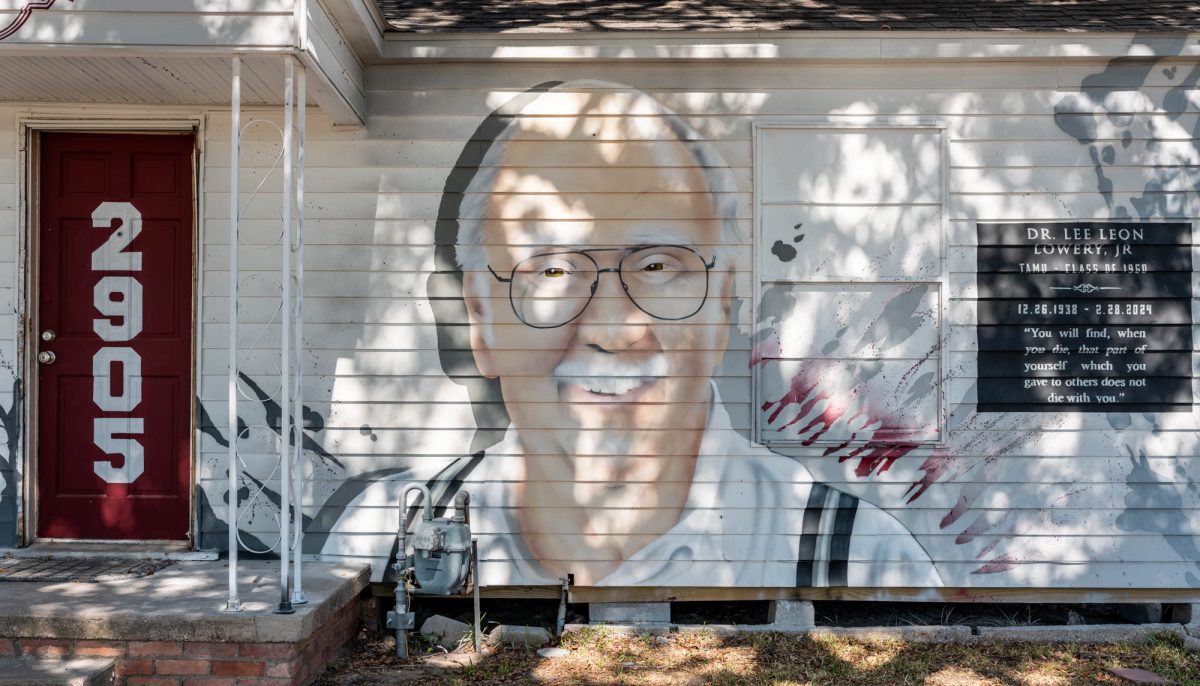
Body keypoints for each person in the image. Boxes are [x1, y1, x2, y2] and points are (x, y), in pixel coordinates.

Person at [318, 81, 942, 588]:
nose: (616, 330)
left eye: (658, 266)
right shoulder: (382, 535)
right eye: (553, 268)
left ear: (722, 306)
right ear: (478, 317)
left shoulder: (863, 561)